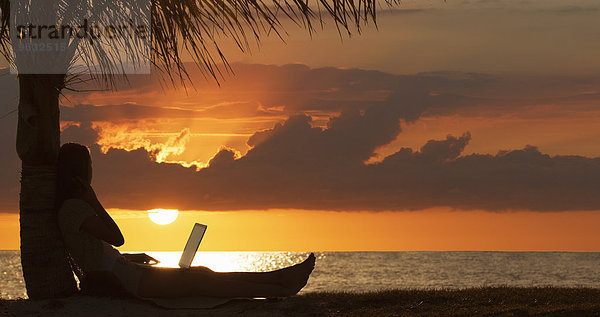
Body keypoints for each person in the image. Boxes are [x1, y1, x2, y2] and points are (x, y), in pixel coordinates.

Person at [56, 143, 315, 298]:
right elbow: (117, 237)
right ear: (80, 171)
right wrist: (94, 199)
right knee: (199, 280)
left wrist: (132, 257)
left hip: (128, 272)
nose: (92, 171)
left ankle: (279, 277)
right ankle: (278, 288)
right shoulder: (74, 208)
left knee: (202, 274)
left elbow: (100, 250)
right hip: (128, 282)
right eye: (89, 166)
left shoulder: (74, 208)